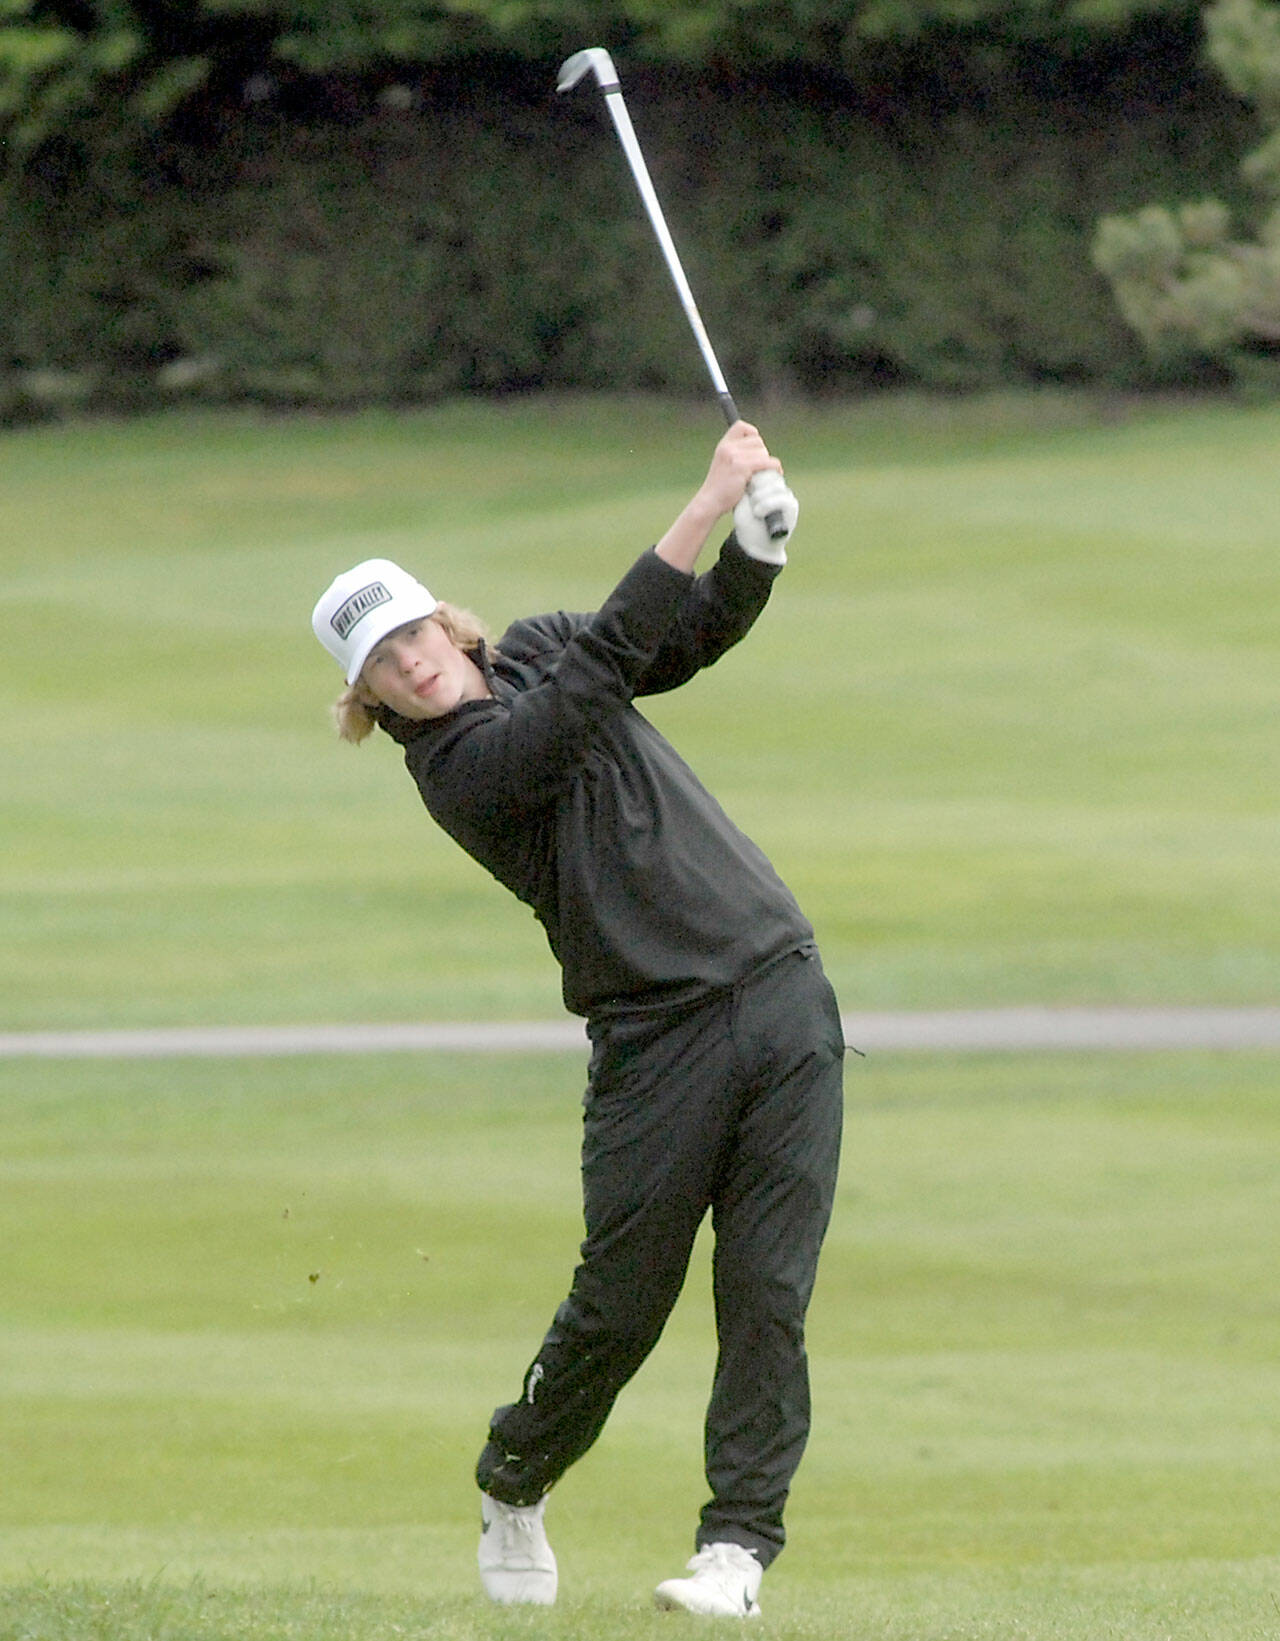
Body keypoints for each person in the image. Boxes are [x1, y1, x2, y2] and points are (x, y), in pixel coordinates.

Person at [311, 422, 845, 1619]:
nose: (409, 664)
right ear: (370, 701)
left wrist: (753, 558)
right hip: (655, 1041)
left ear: (444, 622)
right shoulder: (457, 770)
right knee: (620, 1307)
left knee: (767, 1293)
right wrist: (703, 504)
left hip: (781, 989)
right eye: (380, 666)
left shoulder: (538, 645)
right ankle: (515, 1476)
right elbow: (597, 679)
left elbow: (677, 639)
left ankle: (734, 1553)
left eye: (410, 635)